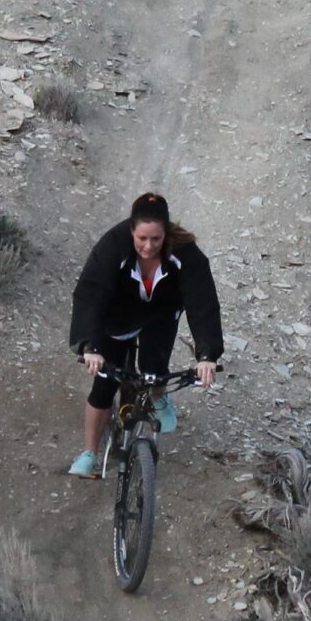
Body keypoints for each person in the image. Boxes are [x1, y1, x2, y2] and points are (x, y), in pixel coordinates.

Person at [65, 191, 223, 478]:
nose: (148, 246)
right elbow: (90, 294)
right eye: (142, 239)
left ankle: (159, 396)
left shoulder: (186, 254)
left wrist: (207, 354)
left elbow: (203, 303)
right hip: (118, 314)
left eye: (156, 239)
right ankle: (89, 452)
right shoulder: (113, 245)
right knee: (104, 383)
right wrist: (89, 346)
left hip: (160, 314)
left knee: (155, 370)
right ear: (131, 231)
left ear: (167, 234)